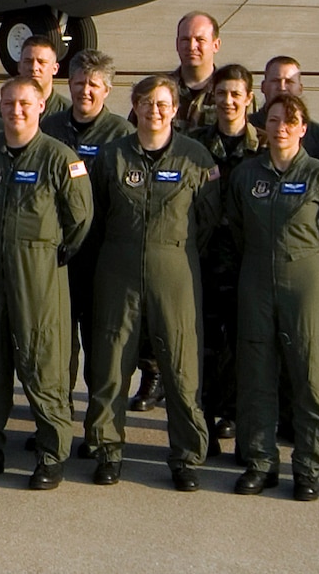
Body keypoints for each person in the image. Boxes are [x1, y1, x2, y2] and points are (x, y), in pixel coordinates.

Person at [0, 77, 92, 487]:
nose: (16, 111)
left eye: (25, 104)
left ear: (41, 107)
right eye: (9, 103)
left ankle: (50, 454)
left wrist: (49, 255)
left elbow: (80, 219)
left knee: (42, 360)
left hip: (40, 277)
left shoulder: (60, 159)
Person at [83, 74, 221, 490]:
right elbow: (97, 211)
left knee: (181, 365)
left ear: (175, 109)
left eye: (163, 104)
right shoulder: (112, 156)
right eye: (147, 103)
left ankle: (186, 456)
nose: (155, 111)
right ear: (135, 107)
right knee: (111, 361)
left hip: (175, 267)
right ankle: (107, 449)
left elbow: (209, 220)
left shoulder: (196, 158)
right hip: (118, 266)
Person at [222, 93, 319, 501]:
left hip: (306, 282)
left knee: (309, 375)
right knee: (257, 373)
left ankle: (309, 465)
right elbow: (236, 230)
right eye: (274, 120)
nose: (281, 128)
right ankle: (261, 462)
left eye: (290, 121)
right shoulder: (247, 175)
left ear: (303, 128)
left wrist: (315, 271)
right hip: (257, 278)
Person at [41, 50, 130, 402]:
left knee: (100, 343)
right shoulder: (49, 128)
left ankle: (99, 423)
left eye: (94, 84)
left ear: (107, 90)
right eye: (79, 83)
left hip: (101, 256)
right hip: (59, 254)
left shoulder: (121, 134)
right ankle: (57, 413)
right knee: (59, 341)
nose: (85, 91)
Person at [195, 64, 262, 454]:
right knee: (203, 348)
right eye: (222, 94)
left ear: (249, 98)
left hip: (247, 265)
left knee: (244, 348)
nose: (229, 101)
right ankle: (202, 426)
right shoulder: (194, 144)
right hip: (204, 263)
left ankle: (238, 418)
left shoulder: (266, 145)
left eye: (236, 94)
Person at [261, 56, 319, 164]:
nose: (282, 87)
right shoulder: (247, 129)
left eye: (289, 82)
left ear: (300, 89)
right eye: (276, 81)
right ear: (263, 87)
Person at [170, 11, 220, 127]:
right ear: (177, 44)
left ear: (216, 45)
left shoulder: (232, 94)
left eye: (200, 40)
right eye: (185, 40)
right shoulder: (159, 91)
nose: (192, 47)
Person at [15, 35, 72, 119]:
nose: (34, 68)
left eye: (41, 62)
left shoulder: (69, 114)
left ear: (55, 69)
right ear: (19, 66)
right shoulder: (3, 113)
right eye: (28, 61)